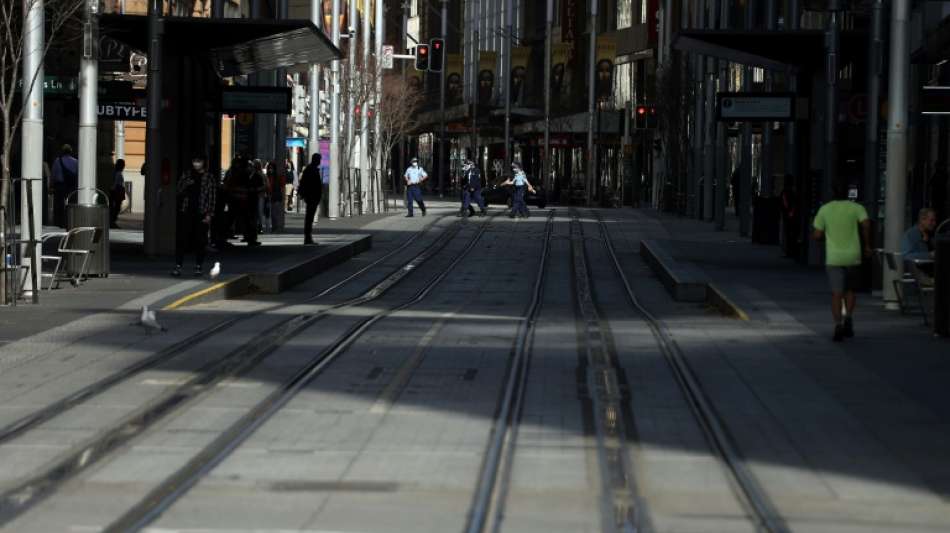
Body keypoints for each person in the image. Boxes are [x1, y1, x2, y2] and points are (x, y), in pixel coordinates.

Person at [812, 182, 872, 342]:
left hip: (834, 257)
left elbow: (817, 234)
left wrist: (824, 237)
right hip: (853, 256)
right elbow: (866, 224)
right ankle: (848, 317)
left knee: (836, 294)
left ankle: (838, 325)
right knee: (850, 290)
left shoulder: (825, 209)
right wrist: (867, 244)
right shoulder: (857, 208)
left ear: (832, 193)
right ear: (847, 193)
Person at [172, 154, 216, 277]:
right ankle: (178, 266)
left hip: (202, 212)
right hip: (187, 211)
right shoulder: (187, 175)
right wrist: (186, 183)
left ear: (203, 162)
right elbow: (178, 190)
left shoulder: (209, 177)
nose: (196, 164)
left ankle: (198, 266)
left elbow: (212, 197)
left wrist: (209, 214)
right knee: (182, 239)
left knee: (200, 241)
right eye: (194, 161)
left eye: (199, 161)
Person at [50, 144, 78, 228]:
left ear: (62, 151)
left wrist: (51, 185)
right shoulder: (75, 161)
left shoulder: (57, 161)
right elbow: (77, 174)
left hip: (59, 185)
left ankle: (59, 222)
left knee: (58, 204)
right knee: (70, 204)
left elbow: (53, 174)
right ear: (71, 151)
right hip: (71, 185)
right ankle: (69, 221)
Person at [299, 153, 323, 245]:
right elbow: (307, 183)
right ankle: (307, 237)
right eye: (319, 159)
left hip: (312, 197)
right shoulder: (311, 169)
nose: (320, 161)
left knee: (309, 218)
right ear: (316, 160)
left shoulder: (310, 169)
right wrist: (306, 195)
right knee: (309, 218)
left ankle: (308, 237)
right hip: (312, 197)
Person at [780, 175, 800, 259]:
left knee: (788, 234)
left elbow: (785, 203)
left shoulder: (785, 191)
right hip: (792, 215)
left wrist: (788, 211)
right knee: (792, 234)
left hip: (788, 214)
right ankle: (792, 251)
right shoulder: (793, 192)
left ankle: (789, 251)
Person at [110, 159, 126, 228]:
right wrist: (112, 189)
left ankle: (112, 221)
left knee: (116, 207)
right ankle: (112, 221)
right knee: (117, 207)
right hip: (117, 192)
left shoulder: (116, 172)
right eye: (123, 165)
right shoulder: (118, 173)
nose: (124, 166)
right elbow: (116, 183)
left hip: (117, 191)